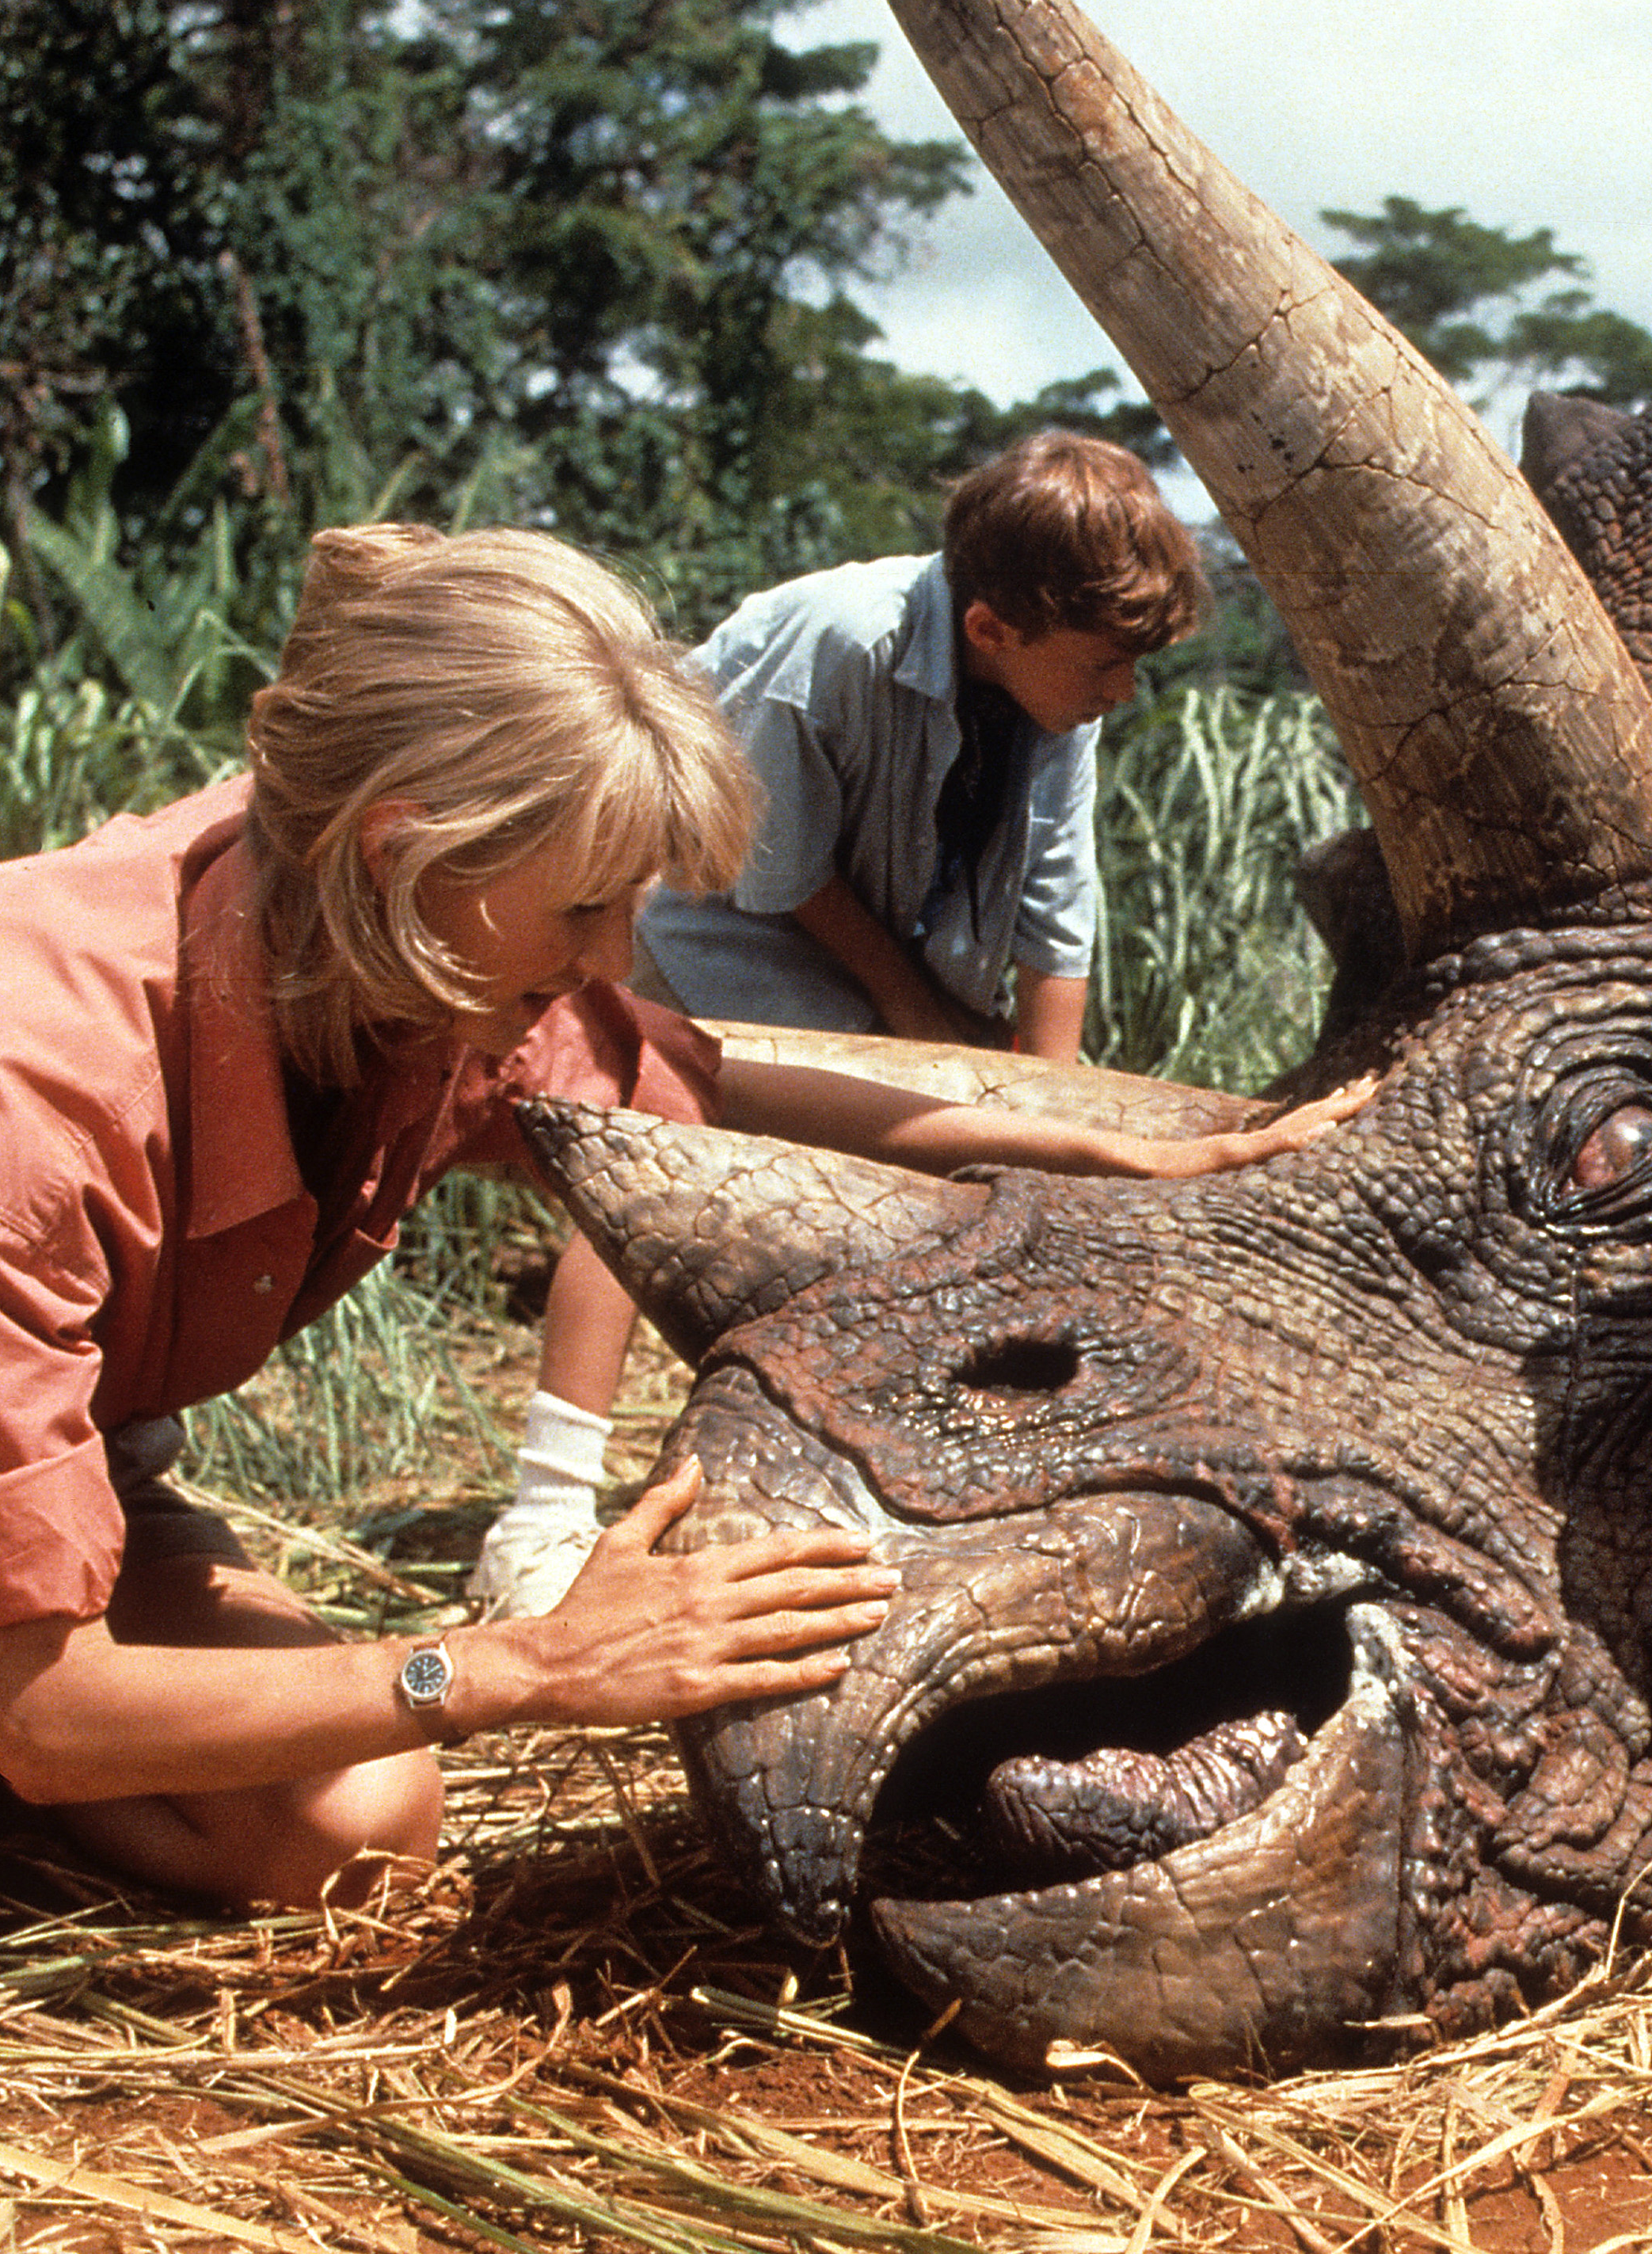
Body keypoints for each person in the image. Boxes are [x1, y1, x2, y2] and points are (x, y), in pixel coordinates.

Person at [0, 521, 1350, 2020]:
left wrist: (1109, 1141)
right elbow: (51, 1700)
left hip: (60, 1493)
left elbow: (717, 1087)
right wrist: (515, 1663)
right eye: (587, 910)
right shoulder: (0, 1072)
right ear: (407, 851)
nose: (614, 957)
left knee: (354, 1820)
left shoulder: (418, 967)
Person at [474, 430, 1205, 1619]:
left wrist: (1048, 1109)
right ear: (991, 631)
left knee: (977, 1173)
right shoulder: (832, 641)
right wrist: (919, 1031)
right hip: (713, 916)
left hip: (900, 945)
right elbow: (777, 869)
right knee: (667, 1145)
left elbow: (1057, 902)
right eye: (1108, 664)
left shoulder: (1063, 691)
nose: (1122, 691)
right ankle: (542, 1519)